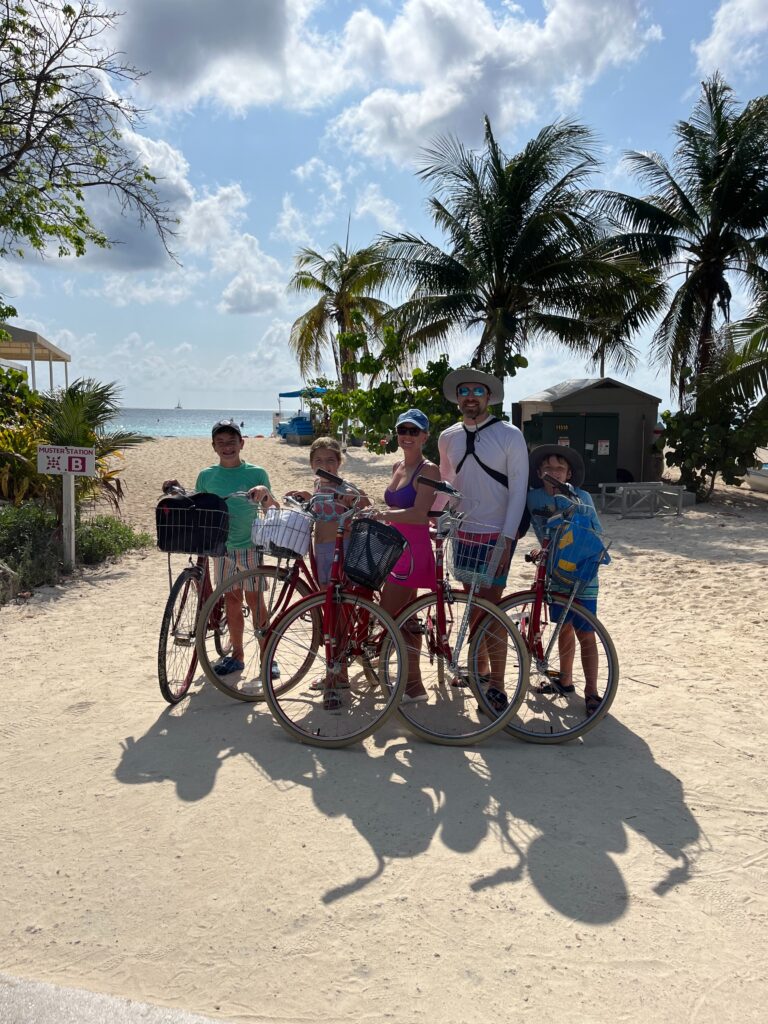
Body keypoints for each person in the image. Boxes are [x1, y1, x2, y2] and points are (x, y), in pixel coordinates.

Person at [438, 367, 529, 713]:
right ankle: (477, 672)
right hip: (463, 533)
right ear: (458, 397)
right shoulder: (448, 437)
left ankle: (497, 683)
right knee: (472, 606)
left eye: (478, 390)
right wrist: (441, 525)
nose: (471, 396)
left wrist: (507, 539)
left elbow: (519, 490)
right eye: (464, 391)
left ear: (488, 397)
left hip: (496, 533)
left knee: (492, 608)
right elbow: (448, 488)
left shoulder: (510, 435)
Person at [163, 419, 276, 677]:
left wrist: (263, 492)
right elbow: (197, 506)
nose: (227, 447)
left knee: (255, 601)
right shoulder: (206, 475)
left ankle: (267, 655)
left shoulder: (256, 473)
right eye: (221, 443)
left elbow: (272, 509)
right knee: (232, 602)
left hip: (249, 546)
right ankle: (237, 655)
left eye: (232, 442)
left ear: (242, 444)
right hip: (221, 548)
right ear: (214, 446)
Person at [527, 445, 603, 716]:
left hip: (582, 572)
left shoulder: (580, 497)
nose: (553, 472)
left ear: (568, 473)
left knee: (586, 631)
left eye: (559, 468)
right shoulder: (532, 498)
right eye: (547, 467)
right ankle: (566, 680)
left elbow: (595, 532)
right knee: (564, 626)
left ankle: (592, 691)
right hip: (554, 573)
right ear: (538, 472)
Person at [370, 409, 440, 703]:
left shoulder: (429, 470)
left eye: (414, 431)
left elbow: (419, 513)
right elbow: (395, 510)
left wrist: (381, 512)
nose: (407, 436)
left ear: (425, 436)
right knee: (407, 619)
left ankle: (403, 682)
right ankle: (414, 685)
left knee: (387, 616)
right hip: (395, 547)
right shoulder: (397, 465)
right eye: (403, 430)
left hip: (413, 550)